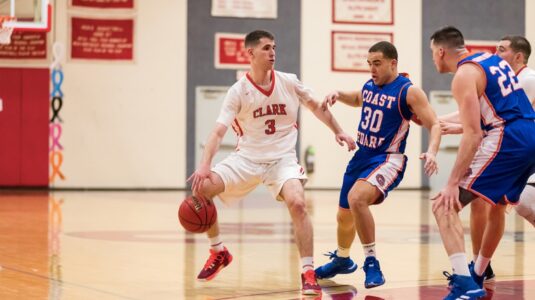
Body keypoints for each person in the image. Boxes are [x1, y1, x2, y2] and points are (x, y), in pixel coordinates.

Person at [187, 30, 355, 296]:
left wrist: (338, 130)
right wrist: (205, 165)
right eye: (266, 48)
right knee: (201, 189)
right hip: (247, 159)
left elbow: (317, 106)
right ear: (250, 54)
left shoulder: (289, 82)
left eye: (274, 47)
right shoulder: (238, 91)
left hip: (282, 160)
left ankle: (308, 272)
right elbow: (218, 132)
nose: (272, 52)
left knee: (298, 203)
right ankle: (218, 251)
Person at [314, 41, 441, 289]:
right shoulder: (370, 85)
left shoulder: (409, 91)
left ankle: (372, 263)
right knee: (344, 216)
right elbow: (358, 98)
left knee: (357, 198)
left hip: (388, 158)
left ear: (393, 63)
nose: (372, 69)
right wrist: (338, 95)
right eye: (369, 63)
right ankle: (342, 258)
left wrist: (433, 151)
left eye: (377, 63)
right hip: (362, 156)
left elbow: (434, 123)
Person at [429, 26, 535, 300]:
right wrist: (459, 126)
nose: (433, 59)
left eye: (432, 53)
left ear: (441, 52)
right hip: (529, 136)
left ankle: (465, 282)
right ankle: (478, 272)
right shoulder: (492, 60)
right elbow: (495, 113)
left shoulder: (463, 75)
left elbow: (475, 134)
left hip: (508, 140)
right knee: (499, 205)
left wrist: (452, 182)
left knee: (444, 204)